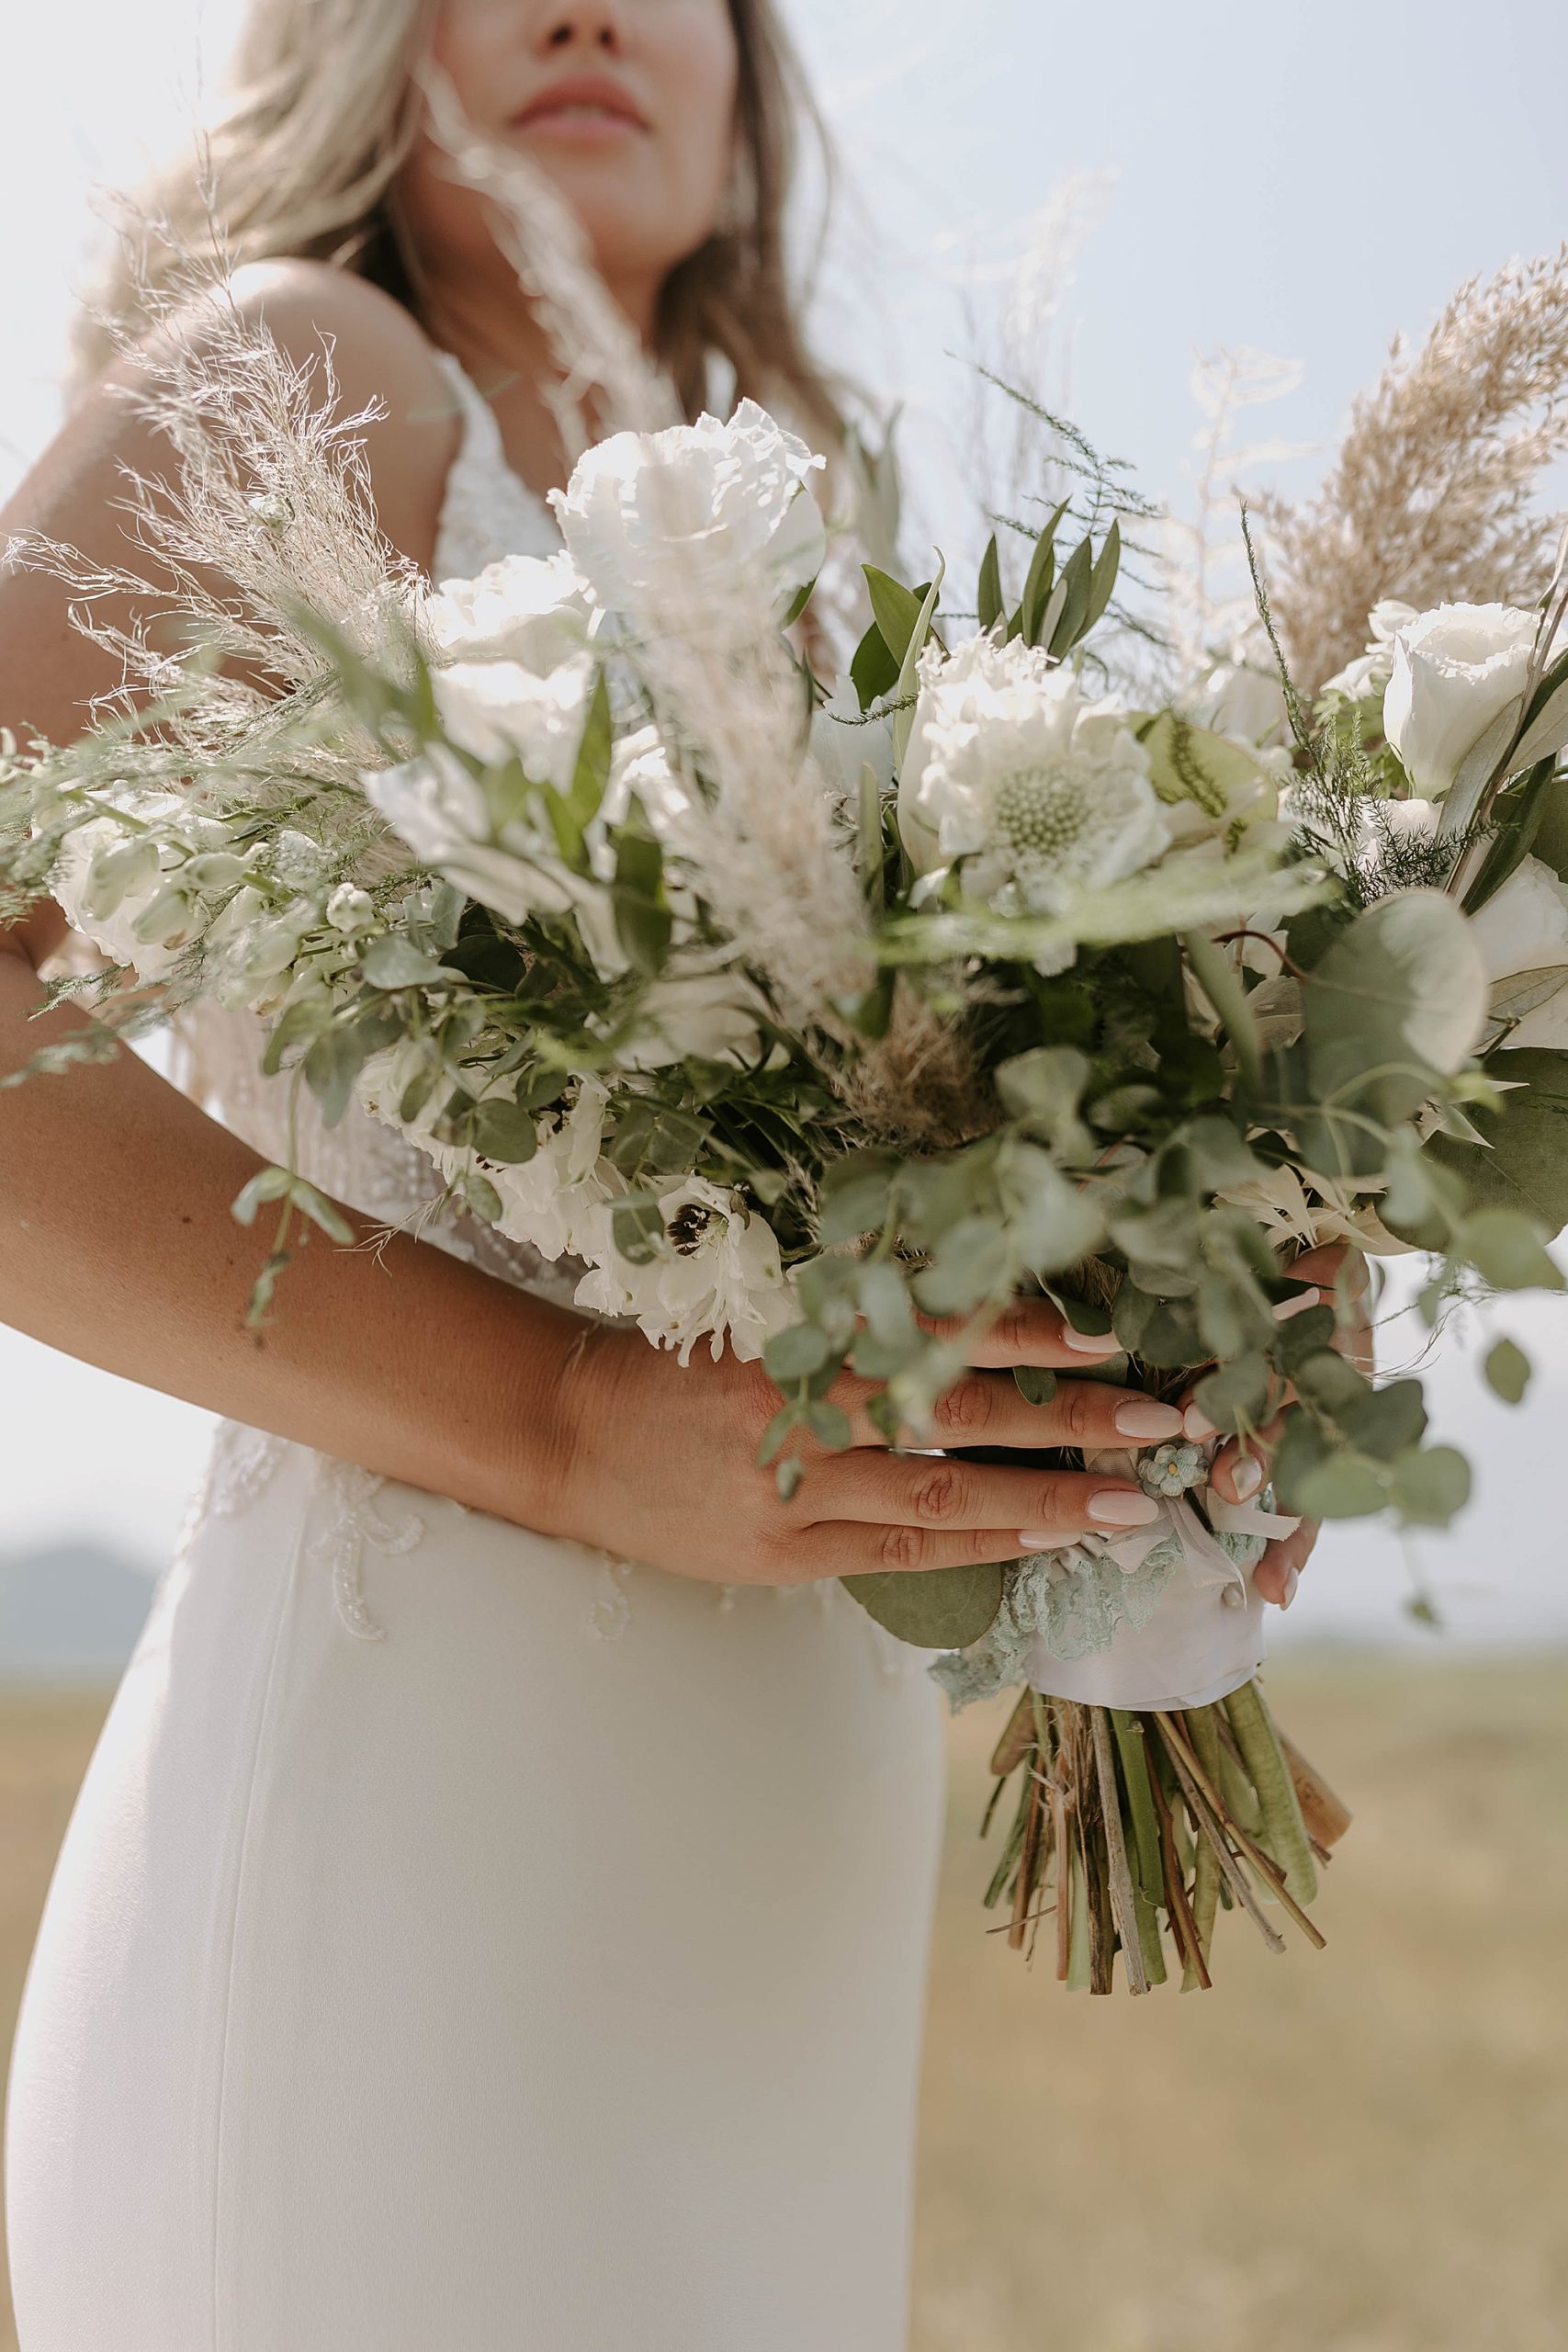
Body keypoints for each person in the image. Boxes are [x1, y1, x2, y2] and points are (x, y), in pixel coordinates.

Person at [0, 5, 1325, 2345]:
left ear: (745, 100)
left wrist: (1168, 1374)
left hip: (768, 1906)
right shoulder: (311, 374)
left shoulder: (867, 628)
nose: (591, 7)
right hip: (411, 1857)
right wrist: (569, 1414)